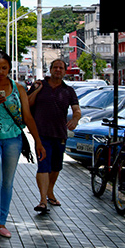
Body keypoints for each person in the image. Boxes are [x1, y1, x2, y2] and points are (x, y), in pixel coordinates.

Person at [0, 51, 46, 242]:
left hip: (14, 139)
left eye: (4, 68)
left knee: (7, 182)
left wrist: (38, 141)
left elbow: (27, 116)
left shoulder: (19, 88)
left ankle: (2, 223)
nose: (0, 71)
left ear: (9, 68)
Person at [27, 59, 81, 214]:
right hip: (41, 134)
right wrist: (36, 90)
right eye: (55, 67)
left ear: (64, 71)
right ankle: (43, 200)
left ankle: (50, 192)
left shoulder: (68, 90)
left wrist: (75, 119)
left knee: (56, 167)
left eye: (61, 67)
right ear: (49, 69)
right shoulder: (39, 85)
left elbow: (77, 110)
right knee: (43, 165)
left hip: (60, 134)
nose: (58, 70)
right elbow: (27, 104)